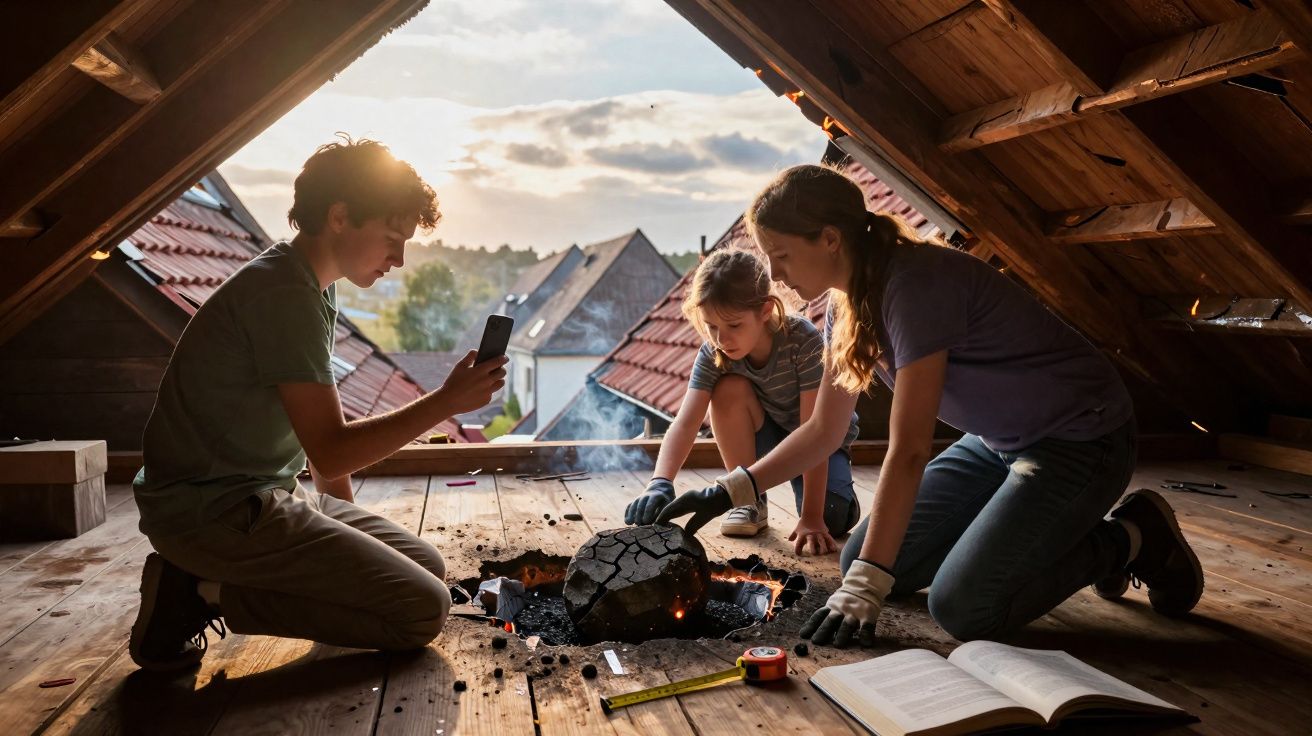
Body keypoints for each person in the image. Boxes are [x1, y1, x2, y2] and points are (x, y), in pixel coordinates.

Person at [657, 164, 1203, 647]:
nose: (775, 276)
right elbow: (825, 429)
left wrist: (867, 587)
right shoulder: (846, 304)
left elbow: (911, 449)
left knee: (964, 607)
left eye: (780, 256)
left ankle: (1130, 537)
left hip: (1081, 440)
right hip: (998, 442)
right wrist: (732, 488)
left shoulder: (913, 284)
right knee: (859, 559)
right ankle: (1044, 532)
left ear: (828, 238)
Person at [128, 138, 507, 671]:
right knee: (421, 610)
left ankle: (205, 582)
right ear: (339, 216)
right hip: (210, 514)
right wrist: (446, 402)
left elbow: (319, 443)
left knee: (426, 564)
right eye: (392, 239)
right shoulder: (284, 296)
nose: (398, 260)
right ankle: (197, 593)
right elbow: (331, 451)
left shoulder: (310, 286)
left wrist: (344, 528)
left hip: (261, 495)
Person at [624, 249, 860, 554]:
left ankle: (836, 502)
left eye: (734, 326)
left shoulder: (803, 341)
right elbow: (684, 424)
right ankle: (749, 502)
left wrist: (812, 518)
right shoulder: (714, 352)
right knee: (727, 390)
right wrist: (660, 482)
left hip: (818, 443)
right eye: (711, 327)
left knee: (832, 516)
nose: (721, 339)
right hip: (766, 433)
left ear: (764, 311)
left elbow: (815, 430)